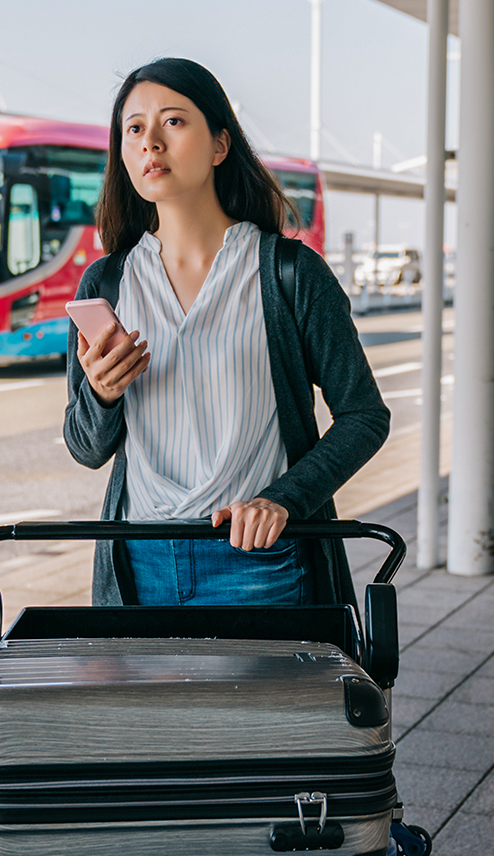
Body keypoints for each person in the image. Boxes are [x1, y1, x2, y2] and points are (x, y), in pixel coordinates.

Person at [63, 57, 390, 607]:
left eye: (173, 122)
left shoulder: (288, 272)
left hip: (260, 565)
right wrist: (100, 394)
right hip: (140, 561)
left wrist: (284, 499)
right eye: (134, 129)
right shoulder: (109, 281)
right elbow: (86, 448)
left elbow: (364, 415)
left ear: (220, 144)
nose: (151, 144)